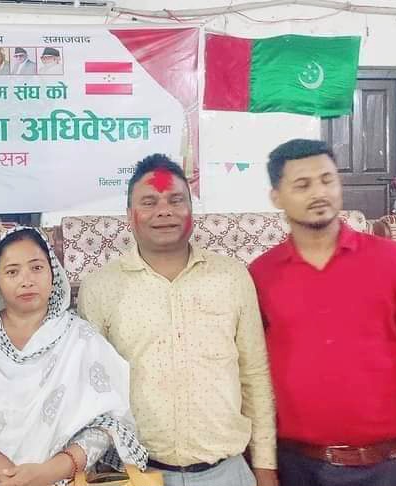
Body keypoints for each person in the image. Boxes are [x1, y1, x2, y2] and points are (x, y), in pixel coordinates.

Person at [248, 139, 396, 486]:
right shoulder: (262, 275)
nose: (319, 192)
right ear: (276, 197)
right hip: (298, 468)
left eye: (327, 180)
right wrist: (264, 470)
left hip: (387, 468)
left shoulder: (392, 262)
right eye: (302, 185)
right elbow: (252, 379)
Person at [79, 154, 278, 486]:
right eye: (149, 202)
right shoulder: (100, 287)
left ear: (191, 209)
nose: (164, 211)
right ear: (129, 215)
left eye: (175, 200)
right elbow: (91, 390)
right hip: (137, 474)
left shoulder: (231, 277)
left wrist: (265, 467)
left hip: (227, 472)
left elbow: (254, 375)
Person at [0, 227, 148, 486]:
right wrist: (9, 477)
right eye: (12, 272)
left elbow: (108, 424)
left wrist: (49, 472)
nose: (26, 280)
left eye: (36, 268)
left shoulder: (81, 338)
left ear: (52, 274)